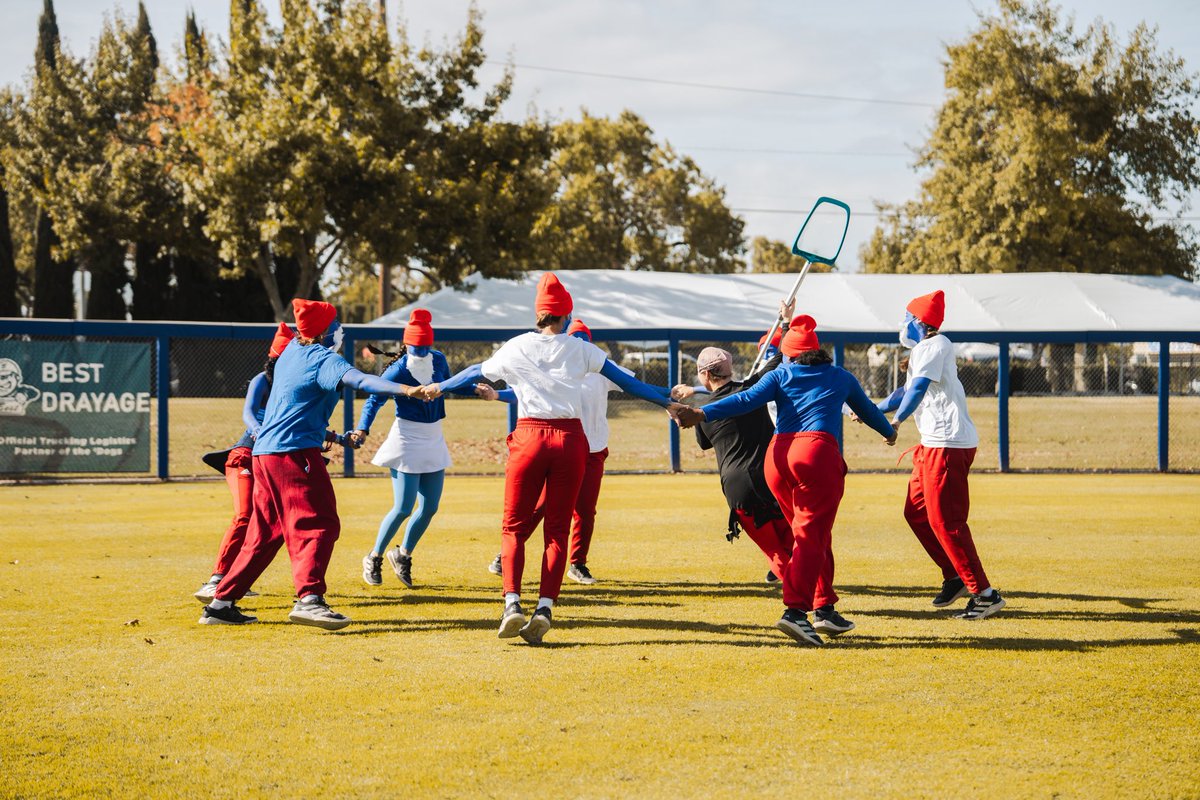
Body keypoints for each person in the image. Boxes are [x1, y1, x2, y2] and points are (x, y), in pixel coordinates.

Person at [423, 272, 677, 644]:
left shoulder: (516, 345)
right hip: (570, 440)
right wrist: (666, 402)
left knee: (513, 527)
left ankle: (512, 603)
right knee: (557, 531)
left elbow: (476, 371)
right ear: (566, 313)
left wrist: (439, 386)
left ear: (538, 312)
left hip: (529, 436)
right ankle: (544, 607)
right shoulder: (581, 348)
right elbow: (629, 383)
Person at [198, 299, 431, 630]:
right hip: (293, 455)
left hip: (264, 454)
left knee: (265, 533)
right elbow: (361, 381)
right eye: (337, 324)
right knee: (320, 523)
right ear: (326, 331)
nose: (341, 330)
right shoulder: (323, 358)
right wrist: (407, 389)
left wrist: (334, 438)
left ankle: (220, 604)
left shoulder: (291, 352)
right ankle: (310, 600)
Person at [675, 315, 897, 647]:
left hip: (777, 460)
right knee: (810, 538)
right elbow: (868, 410)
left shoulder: (782, 373)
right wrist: (889, 432)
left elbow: (744, 399)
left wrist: (702, 412)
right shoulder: (840, 376)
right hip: (815, 455)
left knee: (813, 536)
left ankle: (825, 607)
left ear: (790, 354)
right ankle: (795, 612)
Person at [479, 318, 652, 585]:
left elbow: (634, 385)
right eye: (575, 337)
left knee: (585, 510)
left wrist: (668, 397)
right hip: (565, 447)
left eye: (584, 338)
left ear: (590, 342)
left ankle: (578, 563)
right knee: (541, 507)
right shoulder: (559, 366)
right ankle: (506, 555)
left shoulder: (600, 368)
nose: (580, 342)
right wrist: (497, 395)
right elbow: (520, 393)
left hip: (593, 448)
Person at [882, 290, 1004, 620]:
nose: (902, 323)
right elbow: (905, 391)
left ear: (919, 321)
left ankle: (985, 595)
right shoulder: (924, 349)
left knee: (946, 523)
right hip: (932, 444)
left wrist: (896, 421)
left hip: (948, 444)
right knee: (916, 513)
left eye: (906, 317)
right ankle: (955, 575)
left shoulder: (937, 344)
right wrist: (872, 410)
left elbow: (918, 389)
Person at [352, 309, 476, 589]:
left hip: (433, 437)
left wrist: (476, 388)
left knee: (430, 507)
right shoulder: (398, 369)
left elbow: (451, 384)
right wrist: (362, 428)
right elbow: (374, 400)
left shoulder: (439, 359)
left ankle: (403, 554)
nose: (421, 351)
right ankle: (374, 556)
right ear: (406, 343)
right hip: (407, 439)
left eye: (425, 346)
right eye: (416, 346)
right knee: (403, 508)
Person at [193, 322, 294, 602]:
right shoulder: (262, 380)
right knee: (245, 514)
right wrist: (258, 430)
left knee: (268, 524)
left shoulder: (294, 384)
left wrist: (333, 437)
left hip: (271, 460)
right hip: (245, 457)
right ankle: (216, 580)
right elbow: (248, 413)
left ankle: (236, 580)